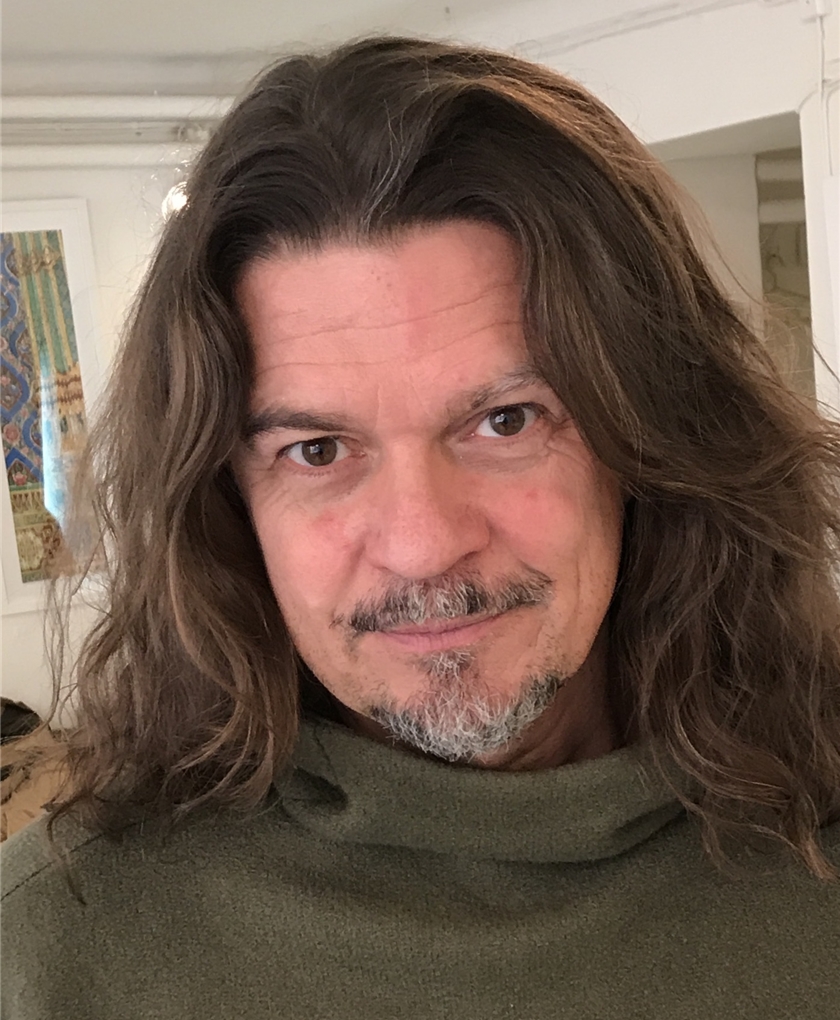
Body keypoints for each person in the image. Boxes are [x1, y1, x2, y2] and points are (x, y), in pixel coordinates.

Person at [2, 36, 839, 1020]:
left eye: (507, 421)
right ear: (225, 501)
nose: (422, 544)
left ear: (654, 442)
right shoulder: (57, 947)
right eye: (318, 450)